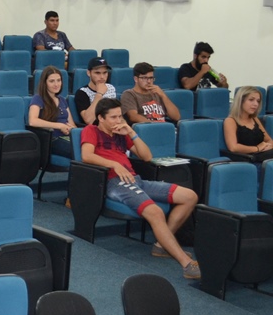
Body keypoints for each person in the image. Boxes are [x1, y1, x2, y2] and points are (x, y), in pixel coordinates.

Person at [80, 98, 200, 279]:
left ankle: (161, 245)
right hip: (114, 182)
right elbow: (86, 156)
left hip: (136, 180)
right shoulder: (91, 130)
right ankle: (186, 264)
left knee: (189, 196)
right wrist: (114, 164)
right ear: (101, 118)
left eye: (120, 116)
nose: (118, 120)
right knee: (155, 212)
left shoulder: (121, 132)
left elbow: (147, 157)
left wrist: (131, 132)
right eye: (113, 117)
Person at [28, 66, 75, 159]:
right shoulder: (38, 98)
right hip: (51, 139)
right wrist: (59, 126)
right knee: (78, 151)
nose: (56, 84)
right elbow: (32, 121)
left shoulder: (62, 100)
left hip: (67, 136)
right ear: (45, 83)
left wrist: (70, 129)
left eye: (59, 80)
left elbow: (72, 124)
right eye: (52, 81)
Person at [223, 86, 273, 161]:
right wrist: (257, 148)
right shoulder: (230, 121)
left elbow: (269, 140)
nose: (256, 104)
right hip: (247, 158)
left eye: (258, 101)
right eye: (251, 100)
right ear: (241, 101)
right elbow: (233, 147)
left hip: (263, 156)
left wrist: (268, 146)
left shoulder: (254, 119)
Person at [74, 57, 116, 125]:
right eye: (97, 73)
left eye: (105, 72)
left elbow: (117, 113)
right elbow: (89, 120)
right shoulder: (82, 93)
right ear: (88, 73)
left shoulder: (111, 88)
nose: (102, 77)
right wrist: (99, 94)